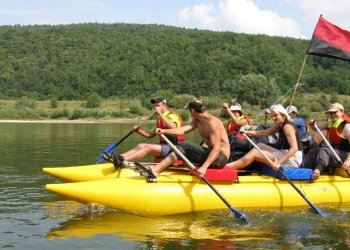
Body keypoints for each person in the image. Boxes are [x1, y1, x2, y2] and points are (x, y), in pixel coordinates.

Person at [134, 98, 230, 178]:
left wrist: (204, 167)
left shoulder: (213, 123)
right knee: (183, 148)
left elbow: (217, 149)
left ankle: (156, 170)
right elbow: (182, 130)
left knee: (185, 145)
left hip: (220, 158)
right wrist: (164, 131)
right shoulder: (197, 121)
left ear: (192, 110)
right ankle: (159, 169)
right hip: (211, 155)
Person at [103, 97, 185, 169]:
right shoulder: (160, 120)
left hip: (175, 147)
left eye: (158, 105)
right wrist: (138, 131)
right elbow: (149, 134)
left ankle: (123, 160)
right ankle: (119, 157)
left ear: (165, 106)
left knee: (147, 147)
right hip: (165, 146)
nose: (155, 107)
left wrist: (160, 113)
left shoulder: (172, 115)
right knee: (140, 145)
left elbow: (173, 127)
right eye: (155, 106)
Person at [227, 104, 303, 171]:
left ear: (283, 115)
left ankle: (228, 167)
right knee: (260, 145)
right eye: (272, 116)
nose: (273, 118)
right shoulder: (280, 125)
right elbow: (264, 133)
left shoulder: (287, 127)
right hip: (285, 153)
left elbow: (294, 148)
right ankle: (233, 165)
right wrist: (247, 132)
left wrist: (278, 163)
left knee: (255, 153)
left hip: (293, 158)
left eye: (275, 115)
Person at [301, 103, 350, 180]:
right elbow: (316, 128)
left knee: (325, 150)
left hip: (345, 156)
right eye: (331, 113)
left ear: (342, 112)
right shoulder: (330, 123)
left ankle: (317, 170)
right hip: (334, 154)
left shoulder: (347, 126)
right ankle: (302, 170)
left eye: (335, 112)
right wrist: (312, 124)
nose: (332, 115)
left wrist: (348, 161)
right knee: (313, 151)